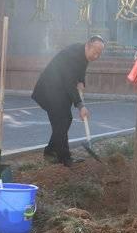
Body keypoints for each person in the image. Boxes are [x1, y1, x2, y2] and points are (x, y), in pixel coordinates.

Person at [31, 36, 105, 167]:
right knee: (62, 121)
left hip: (60, 91)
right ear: (88, 45)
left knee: (64, 121)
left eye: (99, 53)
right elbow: (69, 82)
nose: (96, 56)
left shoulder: (83, 53)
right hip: (50, 90)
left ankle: (50, 152)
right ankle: (65, 158)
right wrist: (80, 105)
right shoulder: (73, 55)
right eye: (95, 52)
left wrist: (81, 80)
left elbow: (81, 68)